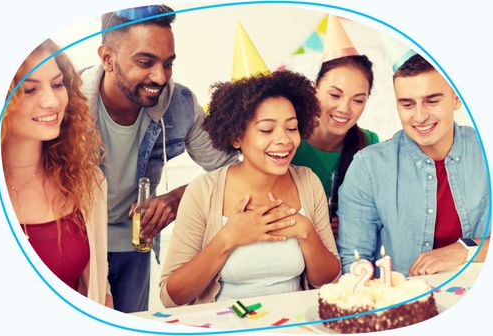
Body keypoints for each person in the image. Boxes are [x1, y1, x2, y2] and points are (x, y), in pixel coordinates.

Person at [80, 5, 237, 312]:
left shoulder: (179, 104)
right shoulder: (69, 101)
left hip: (134, 247)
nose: (161, 76)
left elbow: (231, 167)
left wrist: (180, 197)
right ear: (107, 58)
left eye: (168, 63)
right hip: (79, 245)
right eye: (145, 61)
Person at [159, 70, 341, 307]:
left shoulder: (308, 181)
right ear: (236, 136)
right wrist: (228, 238)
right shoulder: (204, 191)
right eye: (266, 130)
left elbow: (329, 281)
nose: (284, 140)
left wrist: (306, 232)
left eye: (292, 127)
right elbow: (170, 297)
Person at [337, 53, 490, 276]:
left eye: (432, 101)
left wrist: (464, 249)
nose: (419, 117)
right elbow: (354, 264)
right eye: (407, 104)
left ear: (456, 98)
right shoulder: (367, 167)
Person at [1, 39, 112, 307]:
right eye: (29, 90)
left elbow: (99, 285)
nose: (51, 101)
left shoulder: (88, 183)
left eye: (57, 83)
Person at [291, 55, 378, 237]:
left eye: (358, 100)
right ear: (315, 89)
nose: (344, 108)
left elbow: (376, 214)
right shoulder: (286, 143)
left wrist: (353, 224)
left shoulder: (369, 145)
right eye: (335, 95)